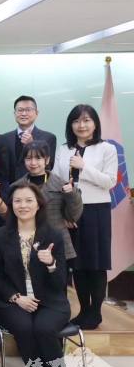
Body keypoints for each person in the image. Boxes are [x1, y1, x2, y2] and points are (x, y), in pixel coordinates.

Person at [0, 185, 90, 367]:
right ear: (11, 205)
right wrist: (17, 298)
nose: (23, 205)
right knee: (25, 327)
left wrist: (51, 264)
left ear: (38, 204)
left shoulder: (53, 235)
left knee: (44, 329)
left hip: (51, 300)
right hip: (13, 301)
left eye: (28, 200)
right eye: (17, 201)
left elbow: (60, 281)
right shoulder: (0, 236)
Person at [54, 105, 117, 330]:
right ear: (70, 125)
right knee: (78, 265)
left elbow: (110, 181)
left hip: (96, 210)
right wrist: (64, 212)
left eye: (87, 120)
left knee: (96, 264)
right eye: (76, 121)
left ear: (95, 123)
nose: (81, 125)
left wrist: (84, 167)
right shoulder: (64, 149)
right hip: (71, 212)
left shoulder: (107, 148)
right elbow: (56, 180)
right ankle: (83, 310)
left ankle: (95, 312)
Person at [11, 141, 82, 261]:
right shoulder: (16, 187)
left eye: (38, 158)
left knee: (57, 272)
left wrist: (71, 194)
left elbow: (72, 216)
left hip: (56, 243)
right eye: (29, 158)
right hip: (26, 242)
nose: (33, 163)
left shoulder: (62, 185)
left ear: (47, 160)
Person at [0, 96, 57, 184]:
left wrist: (32, 145)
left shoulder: (49, 138)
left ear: (36, 113)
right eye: (20, 110)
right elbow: (1, 169)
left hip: (36, 188)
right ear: (14, 113)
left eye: (28, 110)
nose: (24, 113)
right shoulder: (4, 138)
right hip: (9, 189)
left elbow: (48, 167)